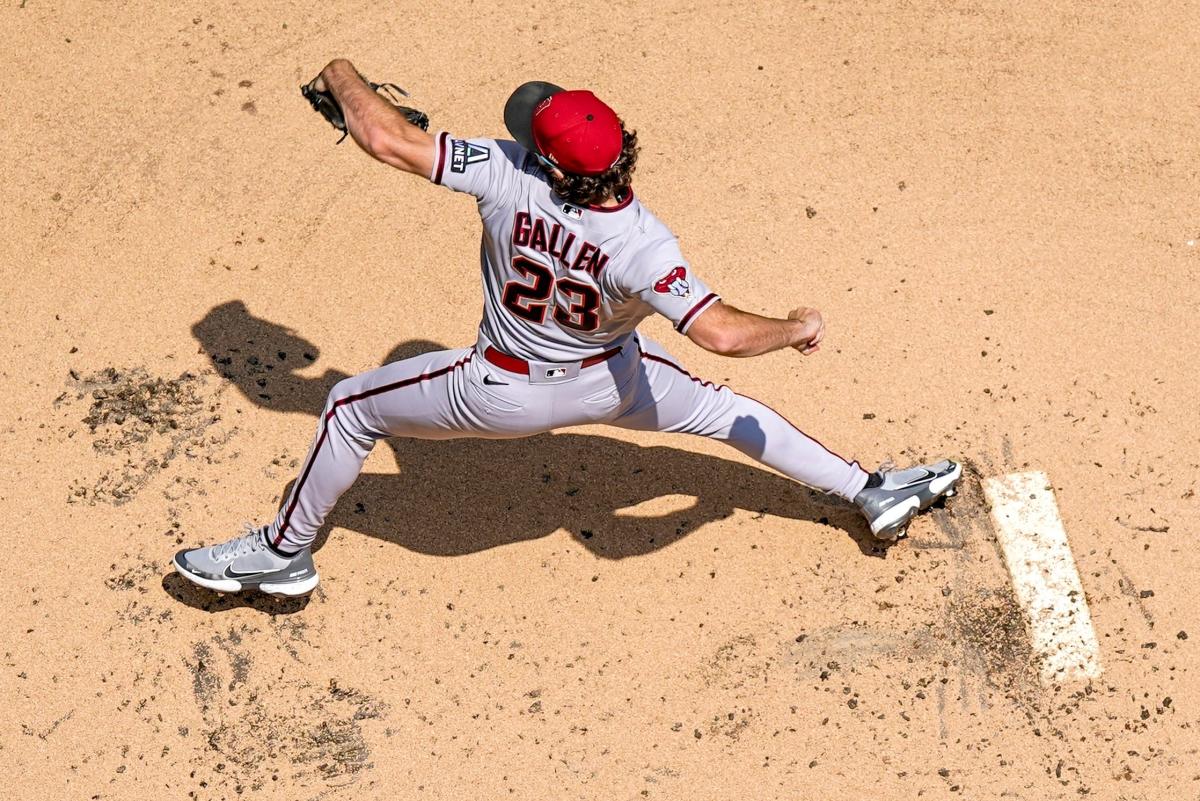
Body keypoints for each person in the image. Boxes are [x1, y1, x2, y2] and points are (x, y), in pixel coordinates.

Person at [173, 59, 961, 597]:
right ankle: (870, 489)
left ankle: (281, 555)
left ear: (552, 164)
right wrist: (794, 327)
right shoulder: (646, 243)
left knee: (348, 405)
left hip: (497, 391)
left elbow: (387, 138)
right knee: (724, 412)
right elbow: (718, 333)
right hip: (616, 381)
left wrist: (342, 75)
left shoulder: (503, 170)